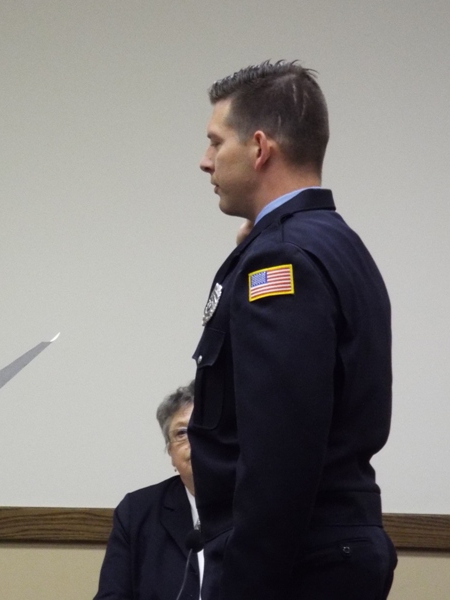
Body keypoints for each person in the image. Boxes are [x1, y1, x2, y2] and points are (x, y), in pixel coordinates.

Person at [189, 61, 396, 600]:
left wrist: (242, 586)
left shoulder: (280, 259)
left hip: (295, 564)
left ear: (259, 148)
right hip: (325, 550)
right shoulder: (330, 242)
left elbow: (279, 458)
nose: (205, 160)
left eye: (216, 142)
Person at [95, 382, 201, 600]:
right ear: (171, 453)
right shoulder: (137, 512)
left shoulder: (257, 508)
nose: (194, 442)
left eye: (202, 429)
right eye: (181, 433)